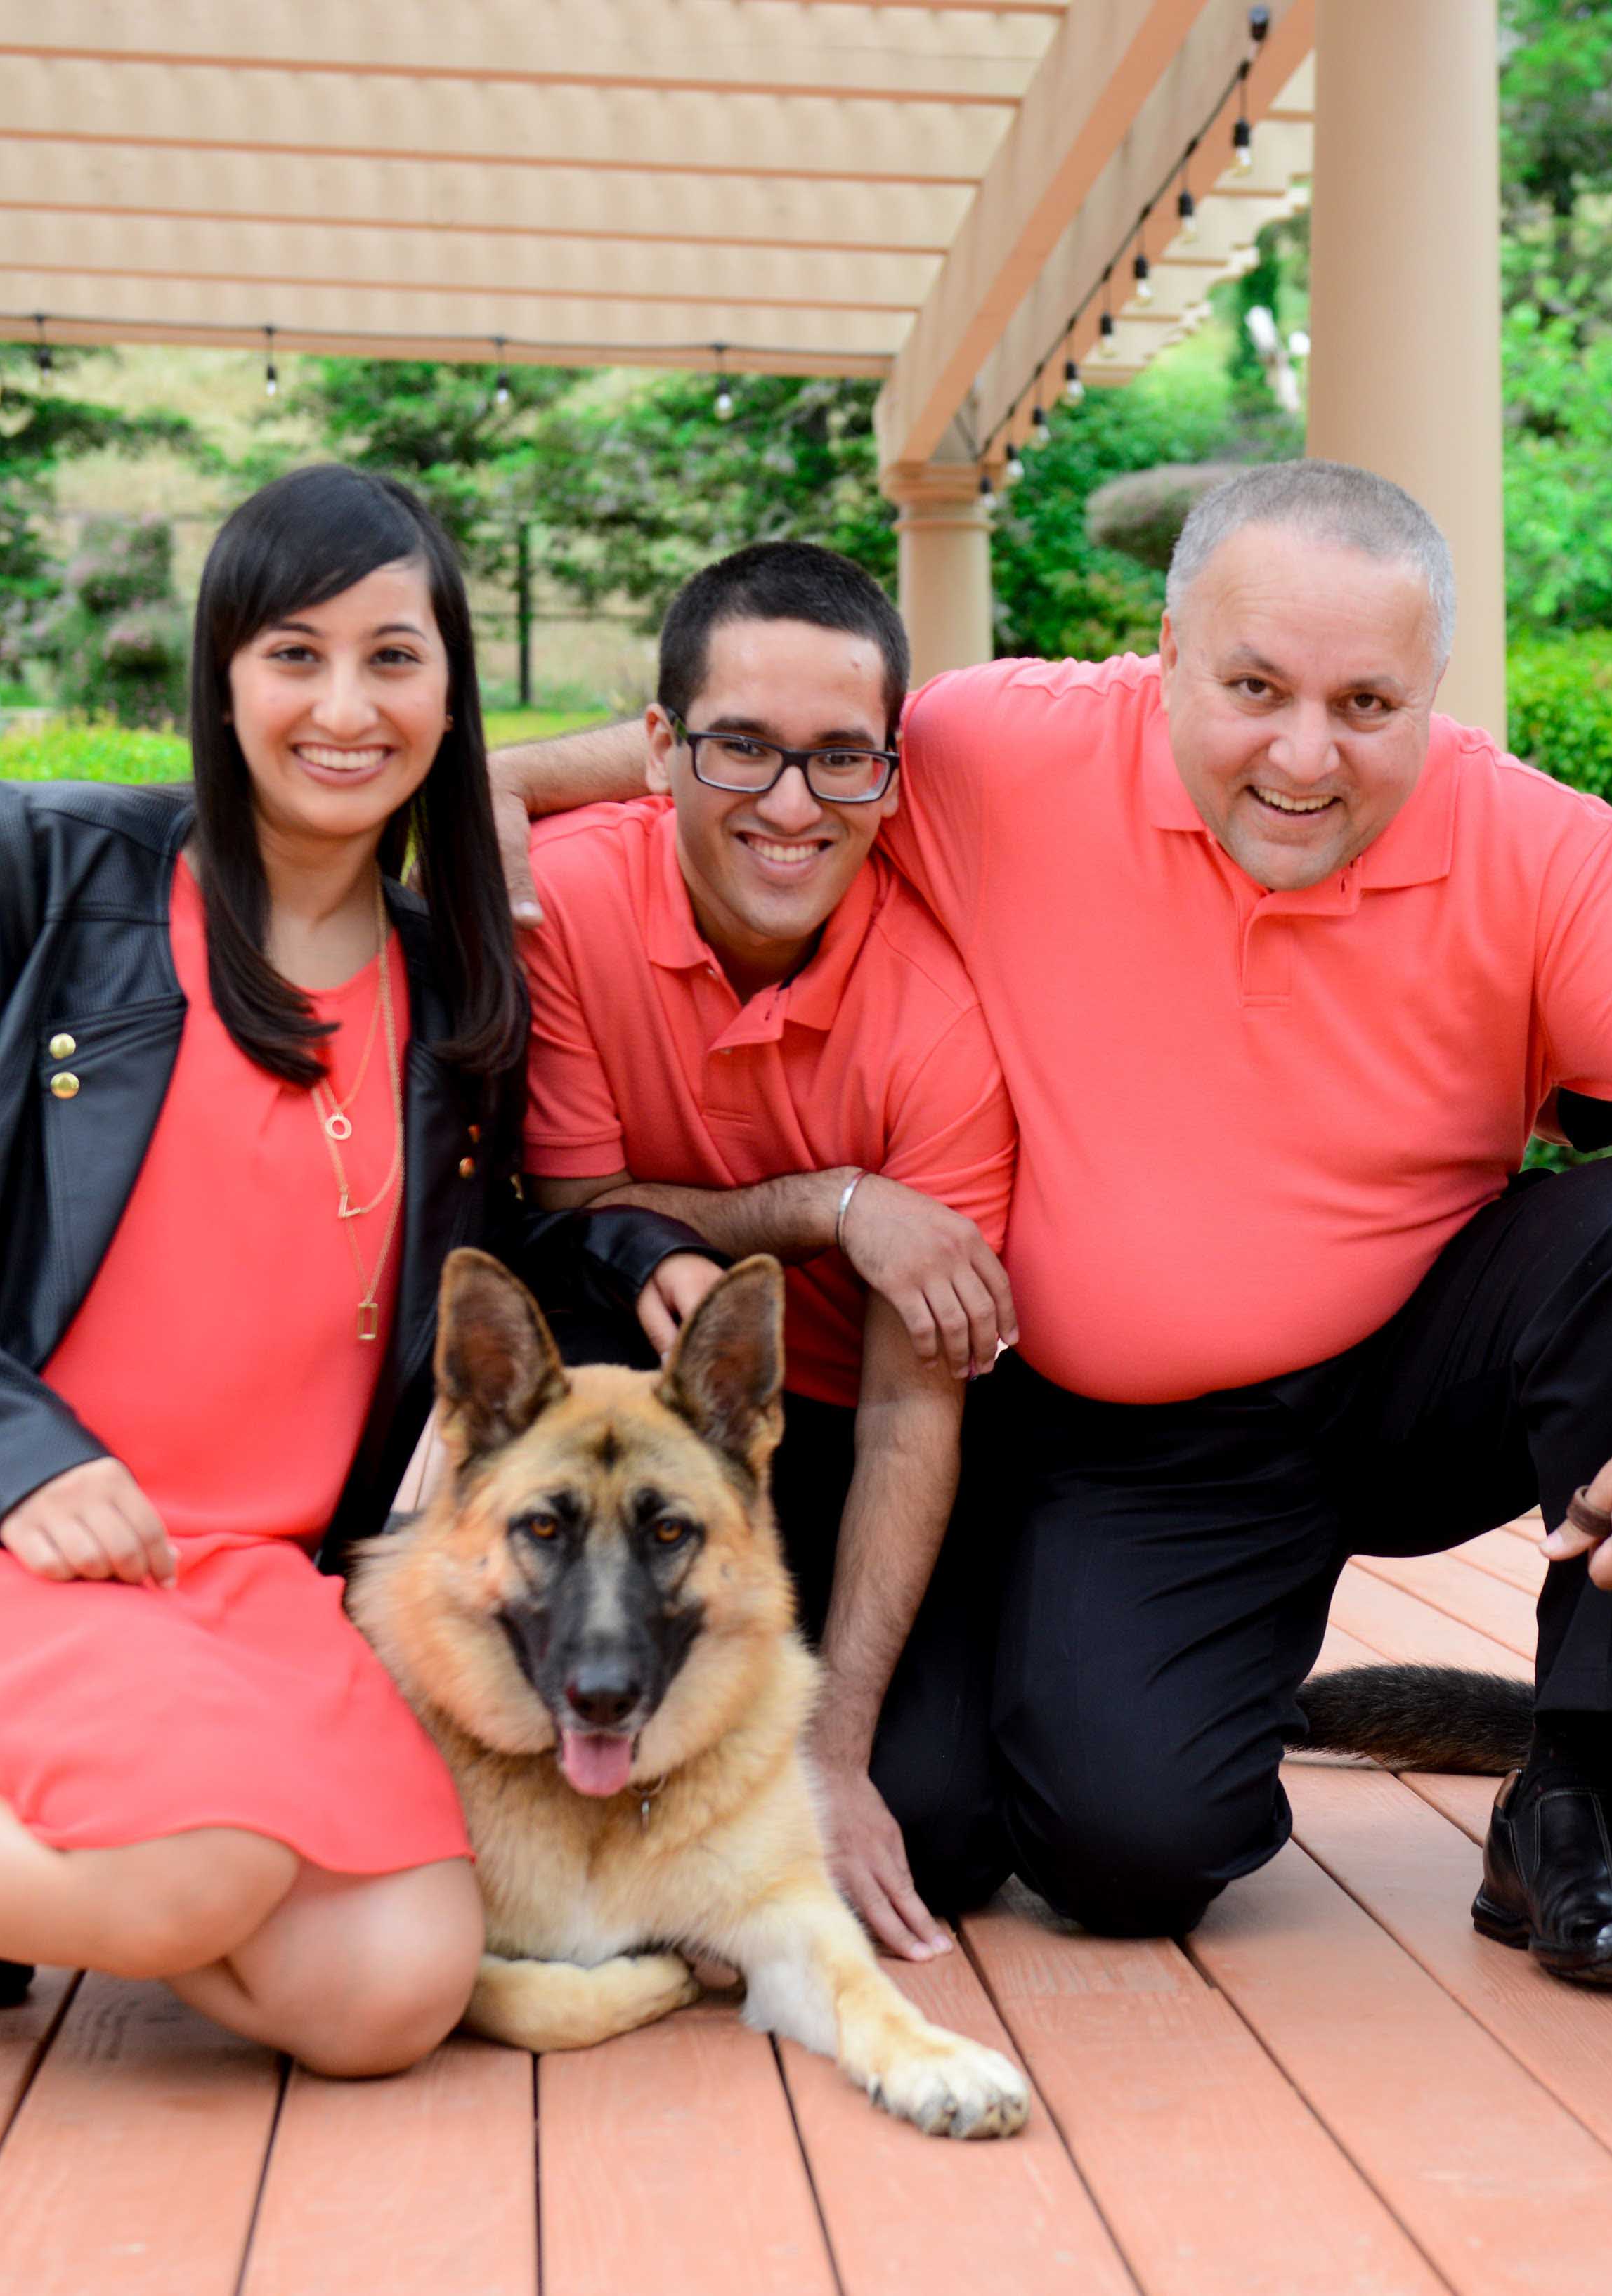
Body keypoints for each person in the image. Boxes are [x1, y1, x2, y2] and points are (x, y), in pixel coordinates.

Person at [499, 462, 1612, 1980]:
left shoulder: (1529, 842)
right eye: (1254, 688)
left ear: (1433, 690)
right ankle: (1155, 1688)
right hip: (1142, 1445)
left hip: (1407, 1371)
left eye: (1368, 704)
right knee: (1123, 1844)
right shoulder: (1005, 749)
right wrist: (497, 784)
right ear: (1166, 656)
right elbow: (780, 745)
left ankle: (1584, 1788)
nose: (1305, 755)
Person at [0, 466, 712, 2070]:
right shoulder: (44, 871)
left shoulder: (456, 987)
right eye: (293, 655)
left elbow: (448, 1255)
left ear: (453, 694)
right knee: (190, 1871)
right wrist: (17, 1452)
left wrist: (636, 1249)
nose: (345, 707)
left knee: (389, 1989)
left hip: (220, 1569)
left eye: (393, 657)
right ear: (222, 681)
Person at [483, 540, 1014, 1964]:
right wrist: (830, 1203)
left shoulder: (940, 1020)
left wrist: (832, 1755)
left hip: (844, 1424)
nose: (791, 805)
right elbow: (585, 1207)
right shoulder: (565, 902)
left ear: (890, 778)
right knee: (602, 1271)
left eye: (840, 759)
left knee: (940, 1825)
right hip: (635, 1386)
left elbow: (911, 1407)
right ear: (659, 749)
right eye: (742, 748)